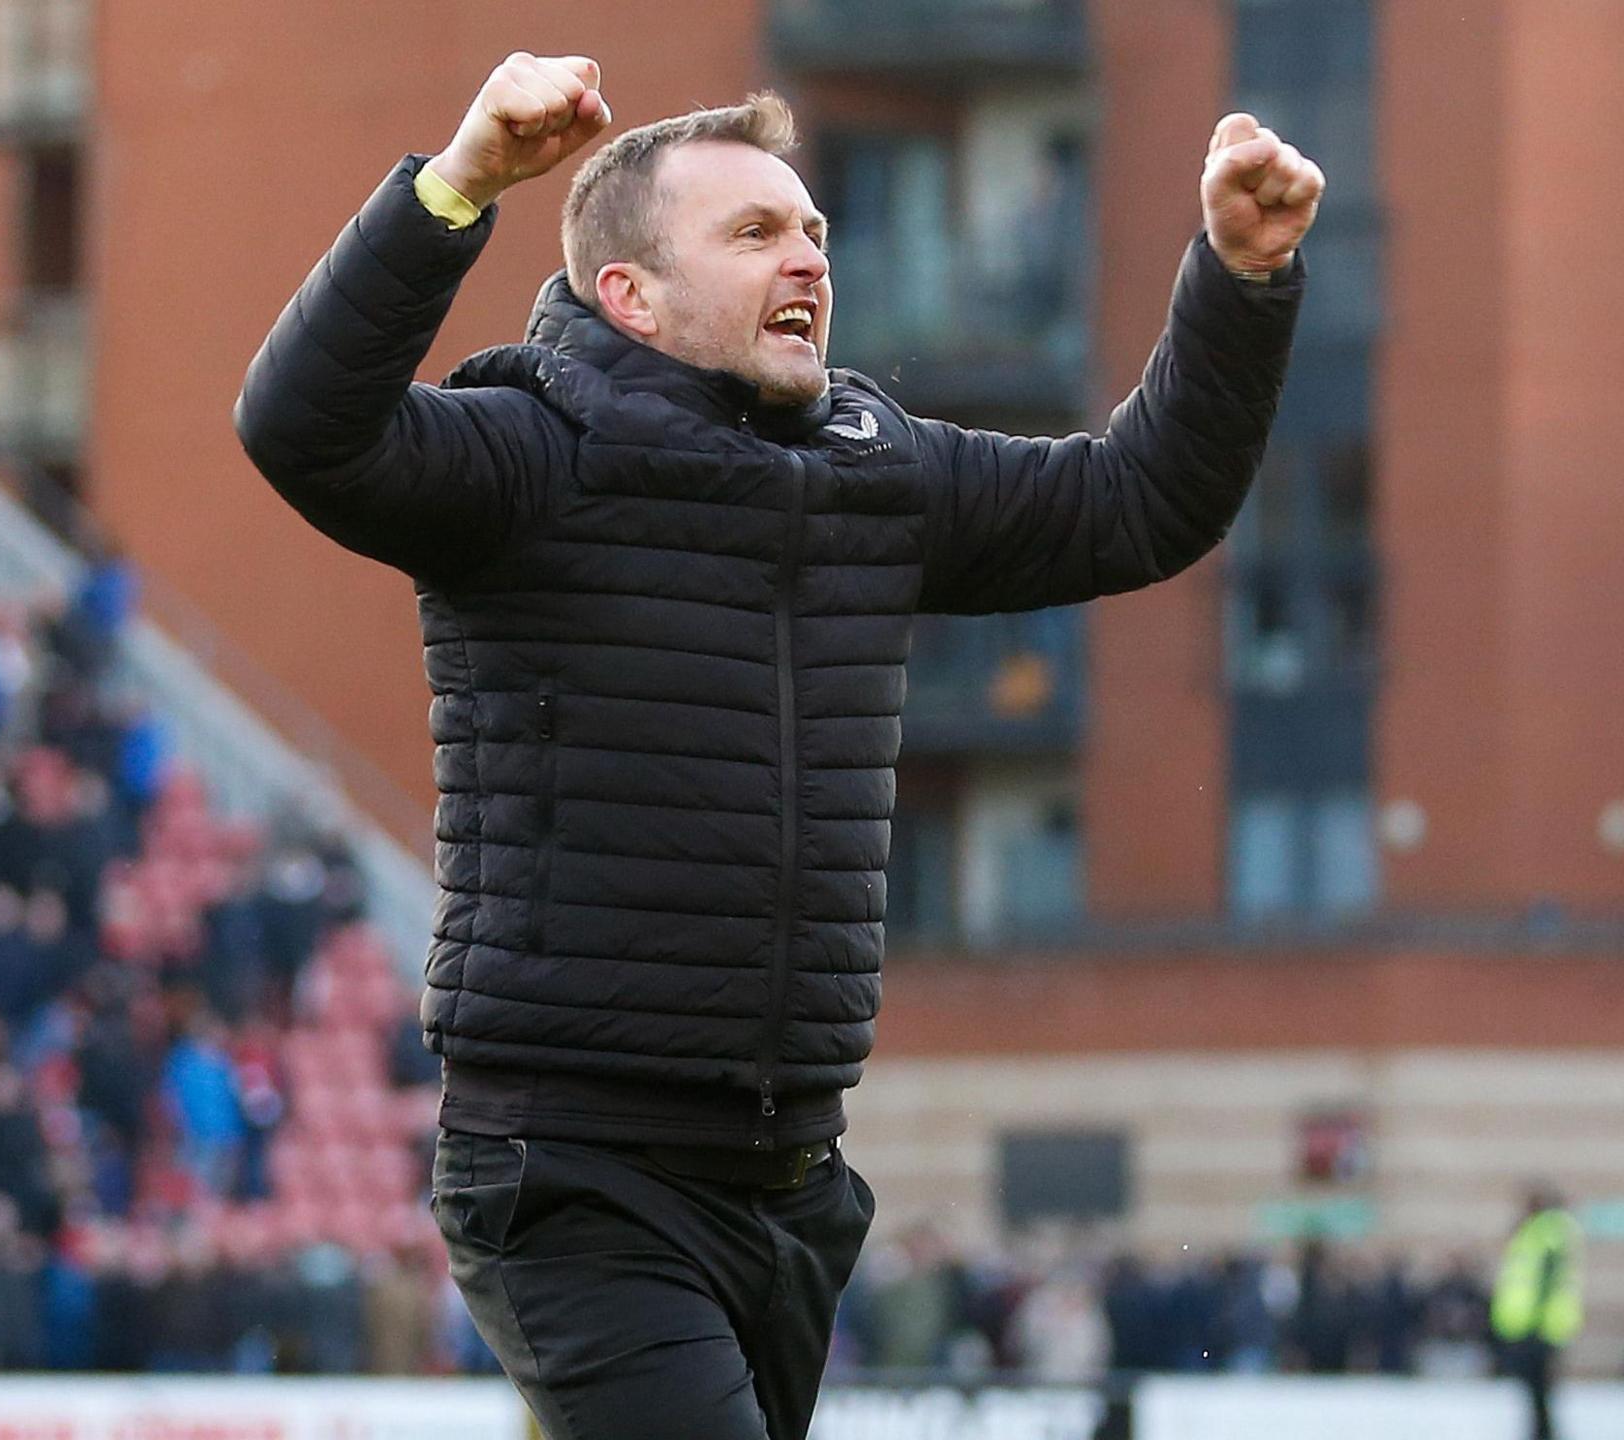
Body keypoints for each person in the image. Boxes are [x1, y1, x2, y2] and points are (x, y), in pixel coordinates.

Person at [233, 50, 1317, 1440]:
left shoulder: (878, 469)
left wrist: (1239, 277)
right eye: (753, 233)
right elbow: (301, 429)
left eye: (812, 230)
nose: (807, 257)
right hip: (578, 1175)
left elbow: (1137, 503)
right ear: (629, 294)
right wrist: (462, 185)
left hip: (792, 1178)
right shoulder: (532, 457)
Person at [1492, 1185, 1585, 1440]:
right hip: (1534, 1326)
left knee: (1539, 1394)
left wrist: (1535, 1325)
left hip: (1537, 1329)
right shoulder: (1544, 1232)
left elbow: (1545, 1282)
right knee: (1537, 1395)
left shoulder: (1546, 1232)